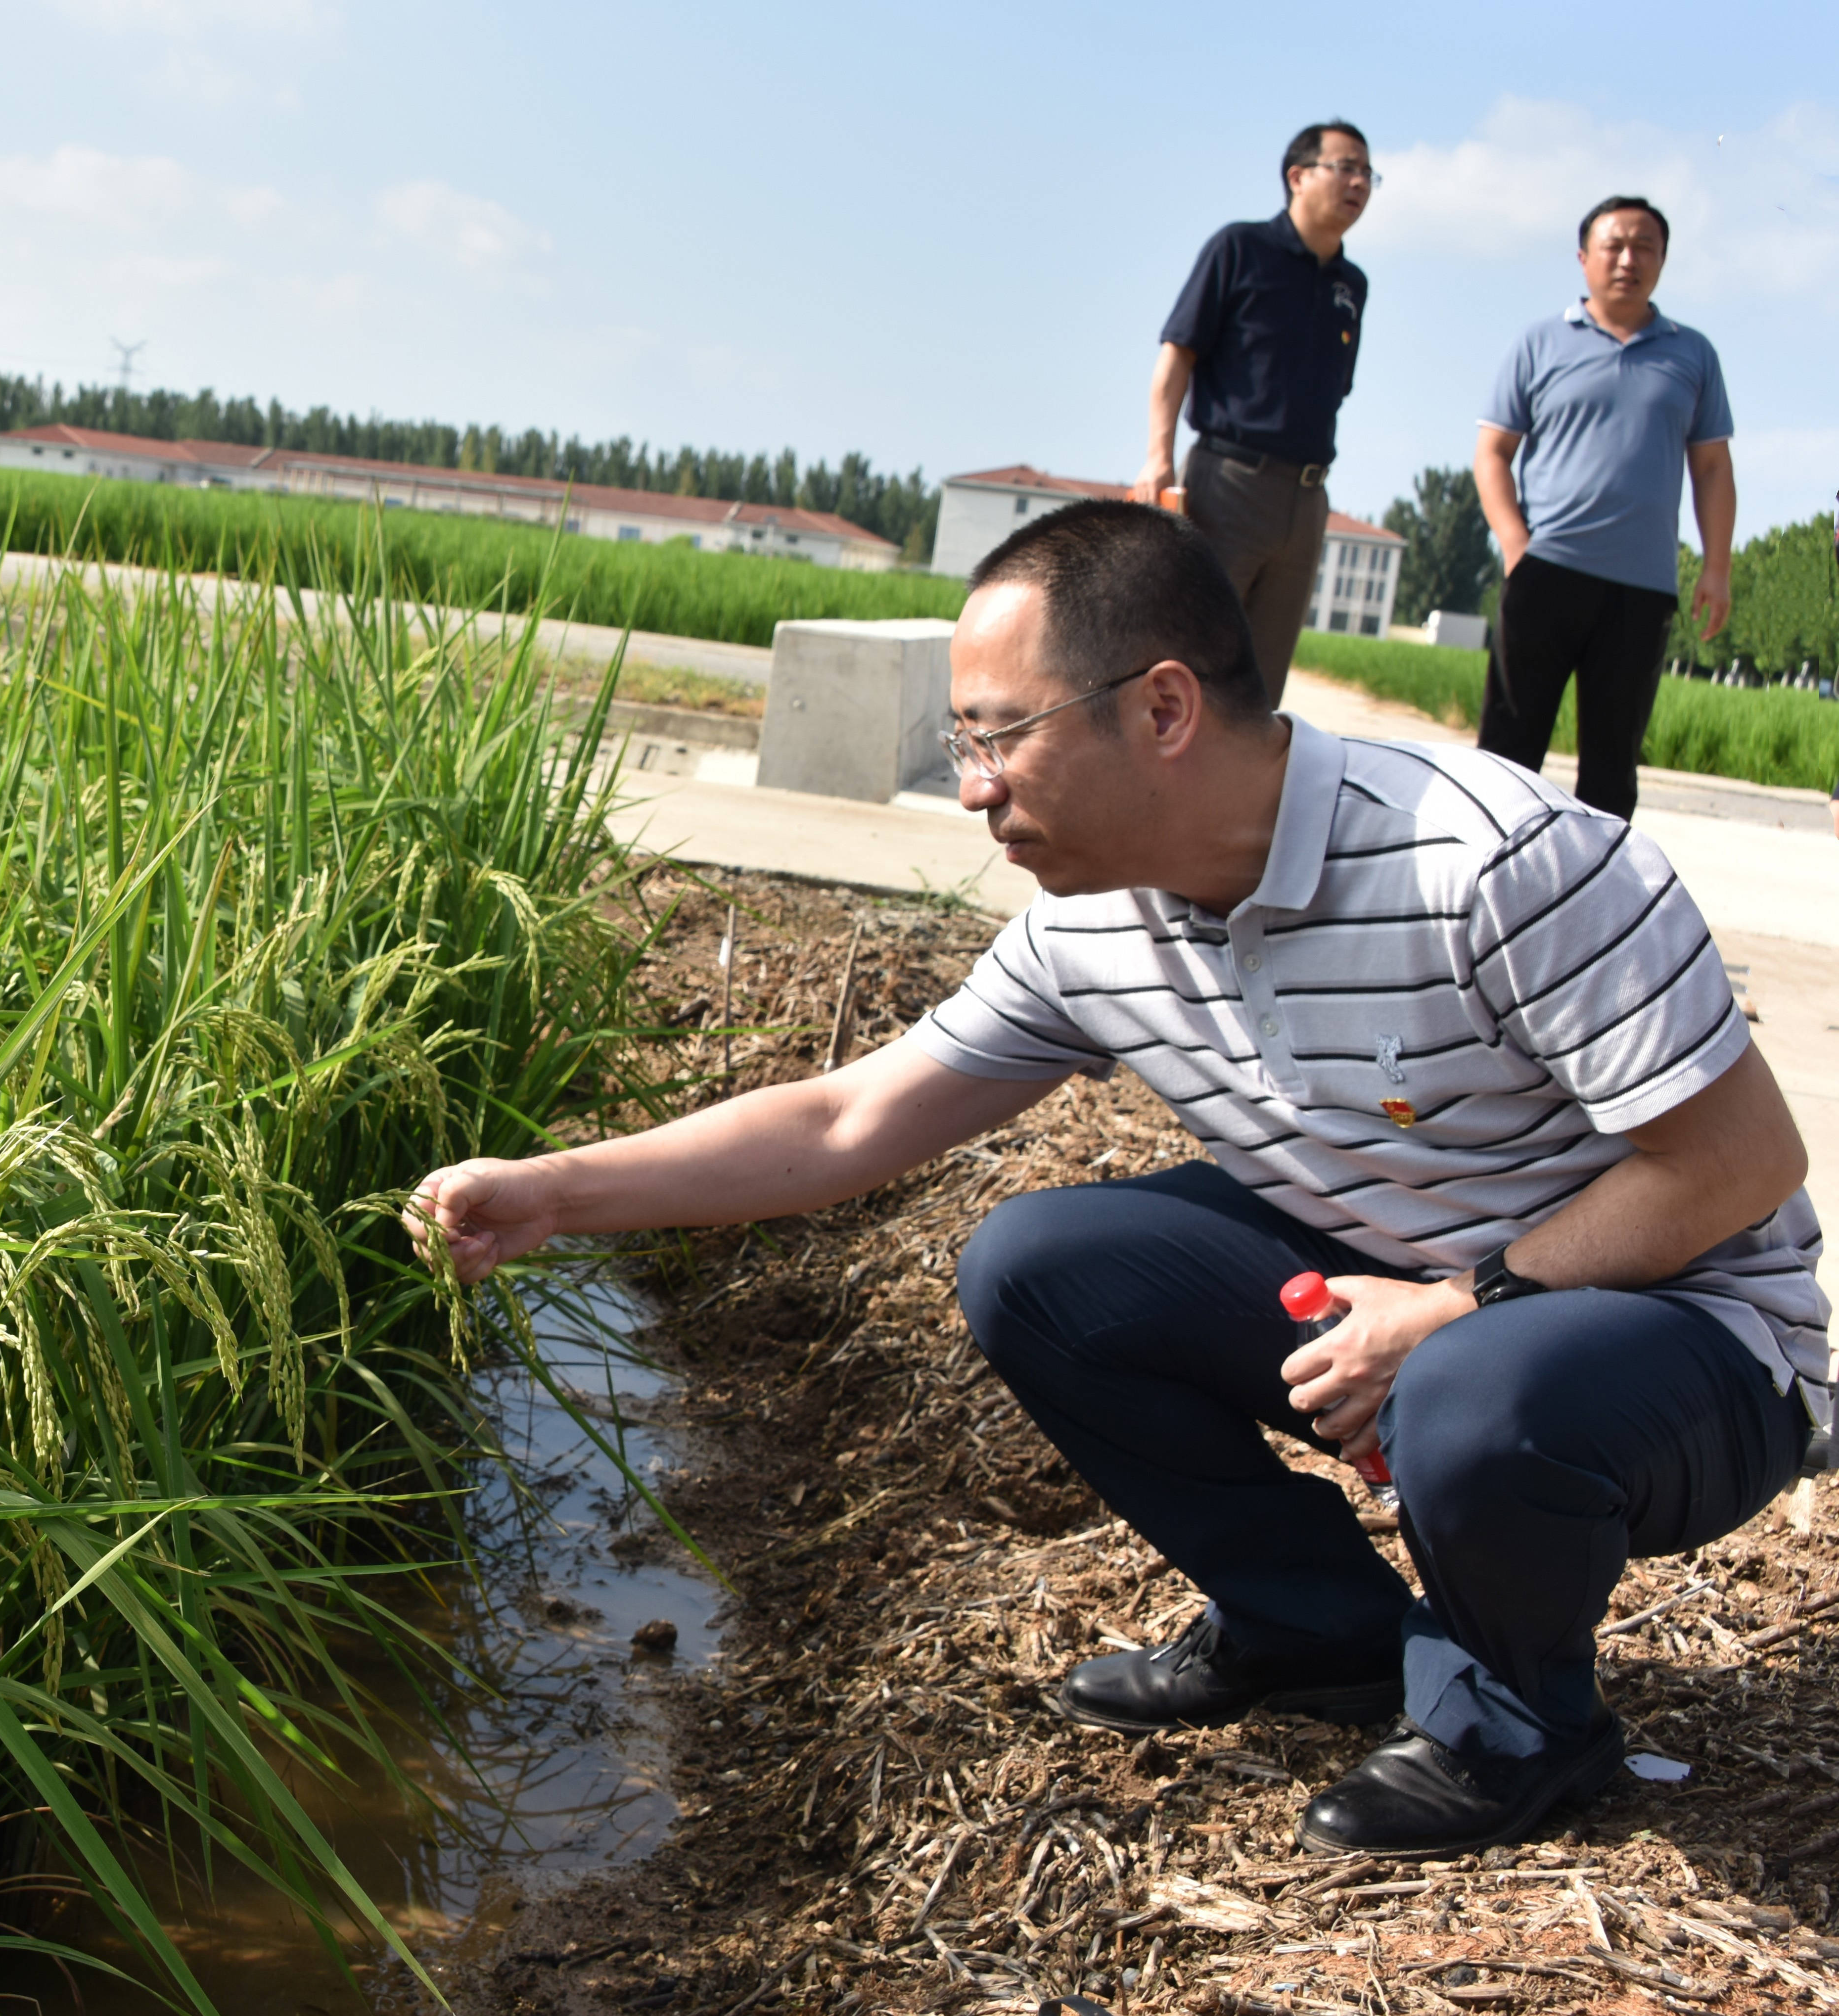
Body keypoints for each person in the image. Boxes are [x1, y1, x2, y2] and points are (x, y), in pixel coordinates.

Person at [407, 500, 1827, 1861]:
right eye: (959, 742)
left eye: (996, 739)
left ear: (1162, 710)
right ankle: (1313, 1624)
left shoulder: (1497, 861)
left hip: (1683, 1336)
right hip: (1394, 1286)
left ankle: (1528, 1725)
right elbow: (849, 1120)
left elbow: (1739, 1163)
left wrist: (1459, 1307)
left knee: (1475, 1386)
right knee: (1039, 1268)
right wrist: (553, 1191)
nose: (971, 787)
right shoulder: (1092, 928)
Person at [1474, 196, 1735, 822]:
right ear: (1584, 257)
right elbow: (1492, 453)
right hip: (1546, 572)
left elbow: (1712, 468)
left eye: (1645, 247)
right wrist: (1515, 544)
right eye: (1614, 245)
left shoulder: (1692, 355)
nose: (1628, 259)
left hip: (1642, 588)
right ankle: (1482, 882)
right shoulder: (1540, 342)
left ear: (1663, 260)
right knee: (1507, 754)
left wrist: (1717, 567)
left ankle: (1601, 904)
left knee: (1612, 769)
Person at [1133, 120, 1375, 706]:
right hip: (1229, 485)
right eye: (1346, 167)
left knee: (1259, 689)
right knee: (1190, 658)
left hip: (1307, 500)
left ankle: (1235, 802)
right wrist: (1157, 457)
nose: (1360, 183)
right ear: (1299, 176)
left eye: (1369, 174)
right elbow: (1178, 357)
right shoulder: (1239, 249)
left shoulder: (1353, 284)